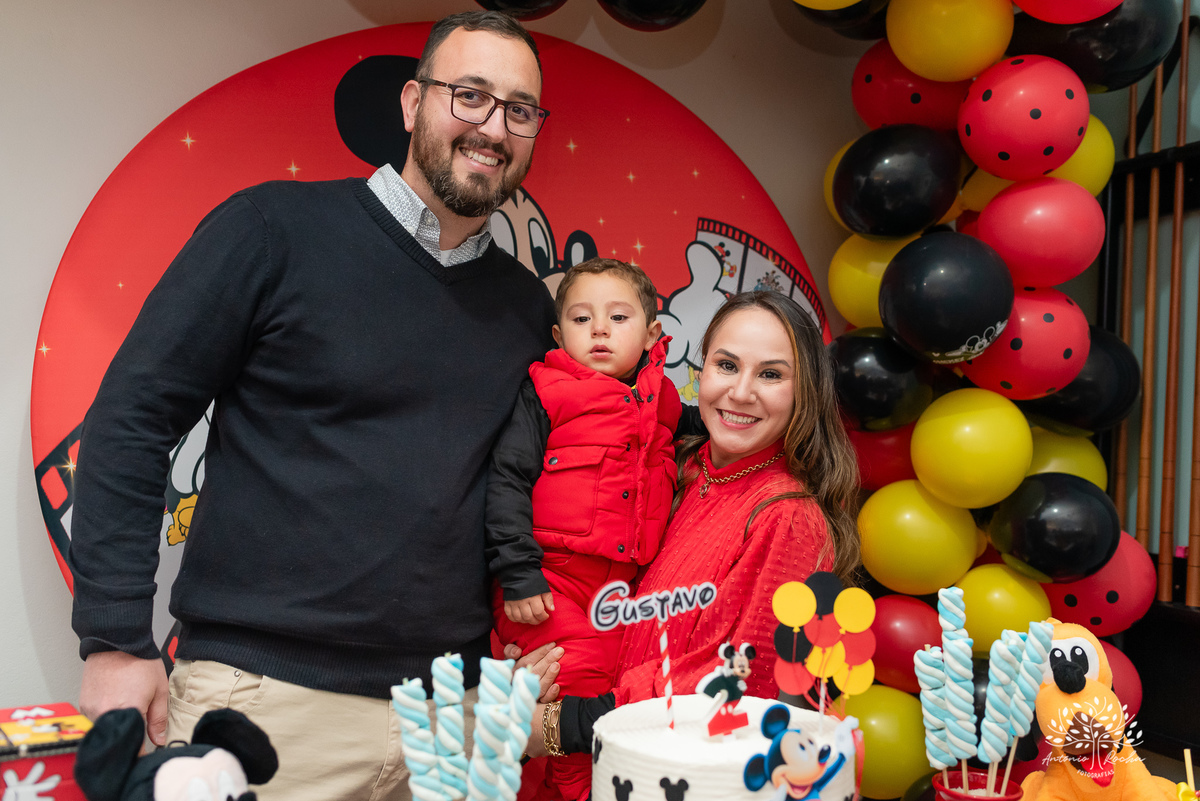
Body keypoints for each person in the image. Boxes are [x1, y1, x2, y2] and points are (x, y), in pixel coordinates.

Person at [70, 11, 557, 800]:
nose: (493, 127)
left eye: (519, 109)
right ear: (412, 103)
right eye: (469, 95)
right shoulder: (272, 230)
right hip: (262, 710)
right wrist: (115, 639)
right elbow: (133, 416)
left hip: (454, 724)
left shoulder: (528, 309)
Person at [513, 290, 862, 801]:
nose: (740, 392)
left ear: (805, 392)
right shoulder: (681, 469)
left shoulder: (787, 517)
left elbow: (738, 684)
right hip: (605, 757)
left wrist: (559, 723)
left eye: (770, 374)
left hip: (674, 777)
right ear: (703, 371)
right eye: (727, 365)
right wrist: (549, 659)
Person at [486, 258, 681, 801]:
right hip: (549, 584)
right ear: (558, 335)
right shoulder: (546, 391)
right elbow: (508, 479)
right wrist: (519, 572)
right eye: (580, 318)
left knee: (620, 690)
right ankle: (576, 791)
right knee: (576, 688)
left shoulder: (665, 401)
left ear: (651, 334)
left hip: (619, 591)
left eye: (618, 317)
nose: (599, 330)